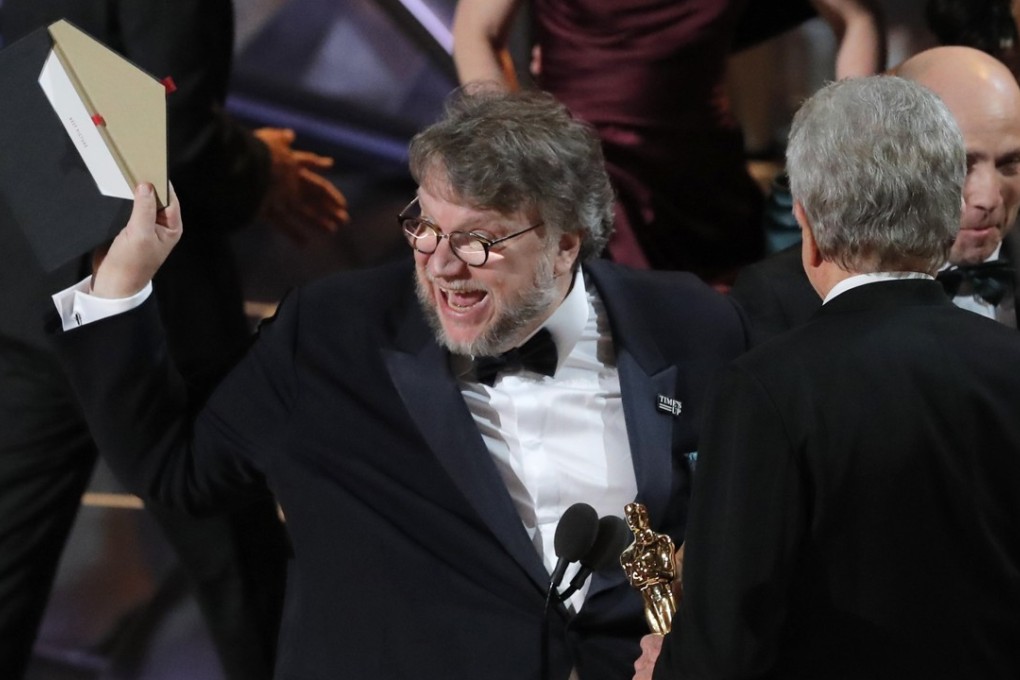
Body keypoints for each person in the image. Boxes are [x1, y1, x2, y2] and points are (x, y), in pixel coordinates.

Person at [45, 87, 749, 680]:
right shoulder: (330, 336)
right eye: (425, 227)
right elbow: (179, 476)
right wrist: (122, 284)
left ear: (566, 242)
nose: (442, 266)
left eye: (479, 240)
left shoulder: (692, 325)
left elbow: (744, 532)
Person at [0, 2, 349, 678]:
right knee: (238, 567)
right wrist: (259, 167)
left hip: (26, 284)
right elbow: (170, 138)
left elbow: (53, 72)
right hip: (148, 306)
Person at [633, 74, 1020, 680]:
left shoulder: (767, 389)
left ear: (808, 230)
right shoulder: (1009, 363)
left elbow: (726, 643)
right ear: (947, 219)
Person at [451, 0, 885, 283]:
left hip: (694, 174)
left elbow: (858, 17)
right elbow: (476, 32)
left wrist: (844, 145)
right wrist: (512, 143)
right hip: (572, 169)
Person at [731, 45, 1020, 343]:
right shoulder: (780, 294)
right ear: (889, 155)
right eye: (961, 165)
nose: (989, 198)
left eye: (1010, 163)